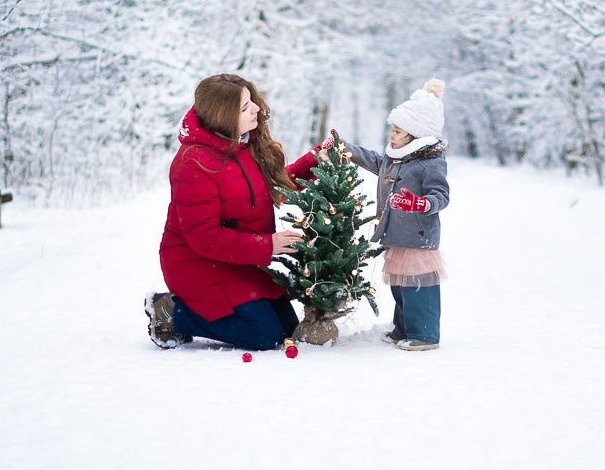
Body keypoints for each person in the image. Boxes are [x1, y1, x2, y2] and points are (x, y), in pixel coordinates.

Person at [146, 73, 329, 350]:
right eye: (245, 107)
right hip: (196, 263)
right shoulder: (193, 164)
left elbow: (273, 184)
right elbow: (205, 238)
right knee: (264, 335)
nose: (256, 108)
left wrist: (316, 160)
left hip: (237, 259)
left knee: (286, 328)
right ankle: (172, 314)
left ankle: (203, 312)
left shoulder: (243, 145)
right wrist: (269, 244)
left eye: (251, 101)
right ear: (223, 115)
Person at [342, 79, 450, 351]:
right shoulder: (396, 158)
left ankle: (425, 334)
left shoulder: (430, 164)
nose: (392, 135)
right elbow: (378, 163)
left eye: (398, 131)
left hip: (418, 236)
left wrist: (423, 204)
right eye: (393, 129)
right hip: (398, 234)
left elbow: (441, 195)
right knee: (400, 287)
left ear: (416, 135)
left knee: (419, 288)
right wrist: (349, 150)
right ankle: (403, 328)